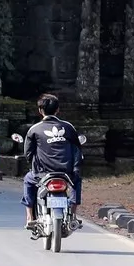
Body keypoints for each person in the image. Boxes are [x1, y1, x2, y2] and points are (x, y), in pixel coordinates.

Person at [19, 93, 83, 233]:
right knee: (77, 181)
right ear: (58, 110)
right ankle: (73, 214)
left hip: (42, 173)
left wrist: (34, 166)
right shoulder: (68, 127)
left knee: (28, 180)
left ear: (40, 111)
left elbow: (28, 154)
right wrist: (75, 169)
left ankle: (30, 217)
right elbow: (77, 149)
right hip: (67, 172)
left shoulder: (34, 129)